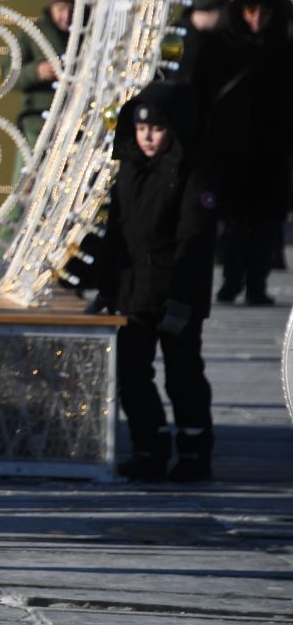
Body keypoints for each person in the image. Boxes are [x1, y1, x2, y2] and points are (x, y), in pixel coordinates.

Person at [93, 82, 217, 482]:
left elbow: (194, 241)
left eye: (157, 129)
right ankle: (150, 445)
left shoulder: (191, 173)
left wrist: (182, 301)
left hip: (175, 293)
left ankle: (194, 451)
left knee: (183, 375)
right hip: (134, 292)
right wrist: (107, 287)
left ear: (174, 130)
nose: (147, 137)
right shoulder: (130, 168)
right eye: (142, 128)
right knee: (131, 374)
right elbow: (117, 233)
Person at [193, 0, 292, 306]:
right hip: (229, 154)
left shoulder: (283, 49)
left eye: (264, 12)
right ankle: (232, 281)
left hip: (273, 154)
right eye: (251, 11)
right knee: (233, 223)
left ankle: (256, 284)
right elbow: (199, 97)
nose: (257, 19)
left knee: (265, 225)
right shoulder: (217, 47)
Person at [19, 0, 74, 148]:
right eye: (61, 9)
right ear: (52, 7)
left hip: (76, 125)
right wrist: (35, 72)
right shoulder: (33, 33)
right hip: (37, 125)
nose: (67, 16)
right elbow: (6, 76)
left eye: (73, 10)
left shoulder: (90, 34)